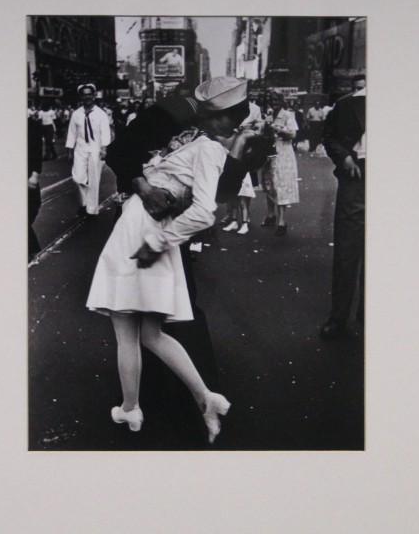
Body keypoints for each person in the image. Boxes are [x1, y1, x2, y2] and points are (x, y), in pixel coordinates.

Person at [87, 77, 259, 444]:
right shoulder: (171, 116)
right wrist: (145, 187)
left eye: (237, 121)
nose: (231, 127)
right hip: (154, 226)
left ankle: (151, 405)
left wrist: (168, 221)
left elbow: (214, 197)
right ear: (210, 115)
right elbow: (121, 152)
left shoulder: (210, 143)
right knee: (155, 326)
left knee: (142, 327)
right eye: (229, 119)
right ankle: (184, 400)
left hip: (154, 230)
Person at [320, 75, 367, 338]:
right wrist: (345, 157)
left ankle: (369, 310)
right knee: (348, 249)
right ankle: (338, 318)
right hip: (357, 177)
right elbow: (329, 137)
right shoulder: (348, 104)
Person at [66, 83, 111, 216]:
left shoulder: (101, 114)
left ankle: (91, 209)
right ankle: (84, 203)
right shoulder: (76, 114)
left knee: (94, 180)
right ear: (81, 96)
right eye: (84, 94)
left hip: (95, 150)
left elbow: (105, 132)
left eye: (89, 94)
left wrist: (104, 149)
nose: (87, 97)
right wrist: (69, 151)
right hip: (80, 149)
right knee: (77, 178)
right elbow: (72, 133)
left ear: (94, 95)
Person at [221, 99, 265, 235]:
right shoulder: (229, 106)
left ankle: (244, 218)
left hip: (246, 148)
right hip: (231, 145)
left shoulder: (254, 108)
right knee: (230, 183)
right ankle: (232, 216)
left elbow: (260, 128)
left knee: (244, 188)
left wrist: (249, 131)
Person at [261, 95, 300, 236]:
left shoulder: (288, 115)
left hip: (283, 152)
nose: (274, 104)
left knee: (281, 184)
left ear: (282, 102)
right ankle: (271, 215)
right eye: (272, 101)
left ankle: (282, 221)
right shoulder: (269, 115)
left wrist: (277, 129)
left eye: (277, 101)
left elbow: (293, 134)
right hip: (269, 152)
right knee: (268, 183)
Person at [28, 102, 43, 260]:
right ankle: (31, 248)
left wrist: (34, 173)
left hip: (28, 173)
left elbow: (36, 150)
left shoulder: (31, 125)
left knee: (33, 205)